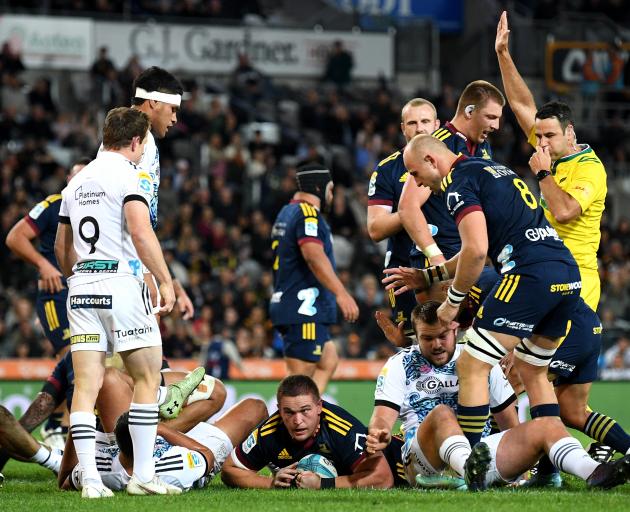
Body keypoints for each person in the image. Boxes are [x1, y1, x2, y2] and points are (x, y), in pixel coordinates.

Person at [395, 135, 580, 451]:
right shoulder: (490, 168)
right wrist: (429, 275)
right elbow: (474, 250)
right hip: (565, 272)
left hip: (527, 275)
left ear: (430, 160)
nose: (418, 182)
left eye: (414, 173)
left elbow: (477, 251)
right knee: (533, 371)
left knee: (471, 365)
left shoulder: (457, 184)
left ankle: (468, 463)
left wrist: (452, 303)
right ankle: (552, 466)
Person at [54, 107, 180, 498]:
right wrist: (165, 280)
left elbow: (62, 247)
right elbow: (141, 233)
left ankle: (91, 479)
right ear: (136, 141)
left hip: (82, 285)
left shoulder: (76, 182)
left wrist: (82, 276)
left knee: (86, 386)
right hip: (120, 285)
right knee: (146, 376)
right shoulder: (130, 174)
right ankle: (143, 473)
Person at [495, 11, 606, 312]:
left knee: (560, 359)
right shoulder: (552, 149)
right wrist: (503, 54)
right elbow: (520, 105)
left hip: (578, 281)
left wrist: (543, 173)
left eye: (548, 136)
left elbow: (565, 210)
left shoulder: (590, 168)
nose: (540, 142)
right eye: (538, 135)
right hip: (548, 271)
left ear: (569, 132)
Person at [367, 301, 517, 488]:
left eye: (442, 336)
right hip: (425, 461)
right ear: (416, 337)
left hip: (482, 454)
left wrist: (521, 475)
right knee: (442, 414)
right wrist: (379, 431)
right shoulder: (400, 363)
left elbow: (510, 424)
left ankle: (475, 477)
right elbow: (382, 416)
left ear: (455, 330)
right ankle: (470, 474)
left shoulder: (480, 359)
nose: (436, 345)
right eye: (427, 338)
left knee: (544, 427)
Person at [397, 81, 505, 289]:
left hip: (467, 256)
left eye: (498, 118)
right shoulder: (439, 145)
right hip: (445, 257)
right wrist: (436, 258)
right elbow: (407, 206)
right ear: (469, 111)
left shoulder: (483, 147)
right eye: (491, 117)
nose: (496, 126)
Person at [221, 375, 403, 489]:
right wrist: (270, 482)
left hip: (403, 462)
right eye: (289, 412)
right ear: (279, 410)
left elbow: (383, 479)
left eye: (305, 410)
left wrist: (322, 484)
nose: (297, 421)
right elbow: (229, 470)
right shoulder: (270, 431)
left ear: (319, 407)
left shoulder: (341, 428)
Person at [269, 165, 359, 393]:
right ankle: (286, 425)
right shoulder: (308, 214)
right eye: (330, 190)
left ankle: (310, 417)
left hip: (292, 303)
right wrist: (342, 293)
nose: (331, 196)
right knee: (298, 382)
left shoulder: (286, 212)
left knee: (328, 360)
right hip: (304, 309)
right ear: (319, 188)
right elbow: (313, 255)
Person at [59, 398, 268, 493]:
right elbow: (206, 455)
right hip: (194, 450)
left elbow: (65, 480)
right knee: (254, 407)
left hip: (159, 443)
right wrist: (161, 429)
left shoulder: (101, 467)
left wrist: (77, 429)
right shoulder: (171, 468)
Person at [367, 98, 441, 336]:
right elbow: (376, 229)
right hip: (404, 269)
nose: (420, 128)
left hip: (450, 265)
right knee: (415, 345)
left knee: (458, 341)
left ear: (437, 124)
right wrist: (410, 210)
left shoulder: (457, 161)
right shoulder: (387, 170)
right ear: (402, 128)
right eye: (412, 122)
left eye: (425, 121)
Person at [126, 66, 195, 320]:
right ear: (154, 101)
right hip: (128, 264)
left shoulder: (119, 138)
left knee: (118, 360)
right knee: (145, 356)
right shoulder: (141, 140)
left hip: (120, 261)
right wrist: (147, 273)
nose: (175, 119)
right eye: (173, 109)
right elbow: (135, 223)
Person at [5, 159, 89, 358]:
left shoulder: (101, 210)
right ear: (68, 179)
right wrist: (43, 264)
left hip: (88, 295)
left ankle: (50, 390)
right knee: (72, 360)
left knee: (92, 366)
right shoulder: (54, 205)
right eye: (75, 176)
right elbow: (15, 237)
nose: (79, 182)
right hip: (56, 294)